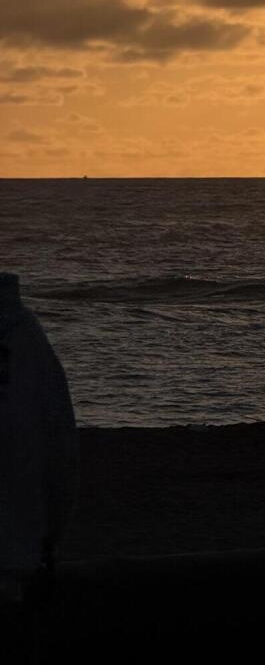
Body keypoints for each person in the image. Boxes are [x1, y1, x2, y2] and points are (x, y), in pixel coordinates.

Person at [0, 273, 77, 664]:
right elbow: (59, 450)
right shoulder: (29, 340)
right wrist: (49, 535)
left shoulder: (29, 339)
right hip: (15, 559)